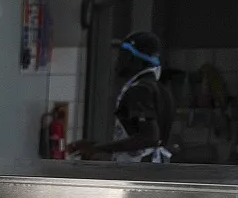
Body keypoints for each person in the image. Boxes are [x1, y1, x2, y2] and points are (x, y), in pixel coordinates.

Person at [71, 31, 174, 162]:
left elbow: (149, 137)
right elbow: (136, 135)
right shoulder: (159, 88)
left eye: (123, 54)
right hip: (151, 168)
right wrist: (95, 145)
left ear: (135, 58)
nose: (117, 60)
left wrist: (98, 149)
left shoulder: (139, 90)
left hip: (139, 172)